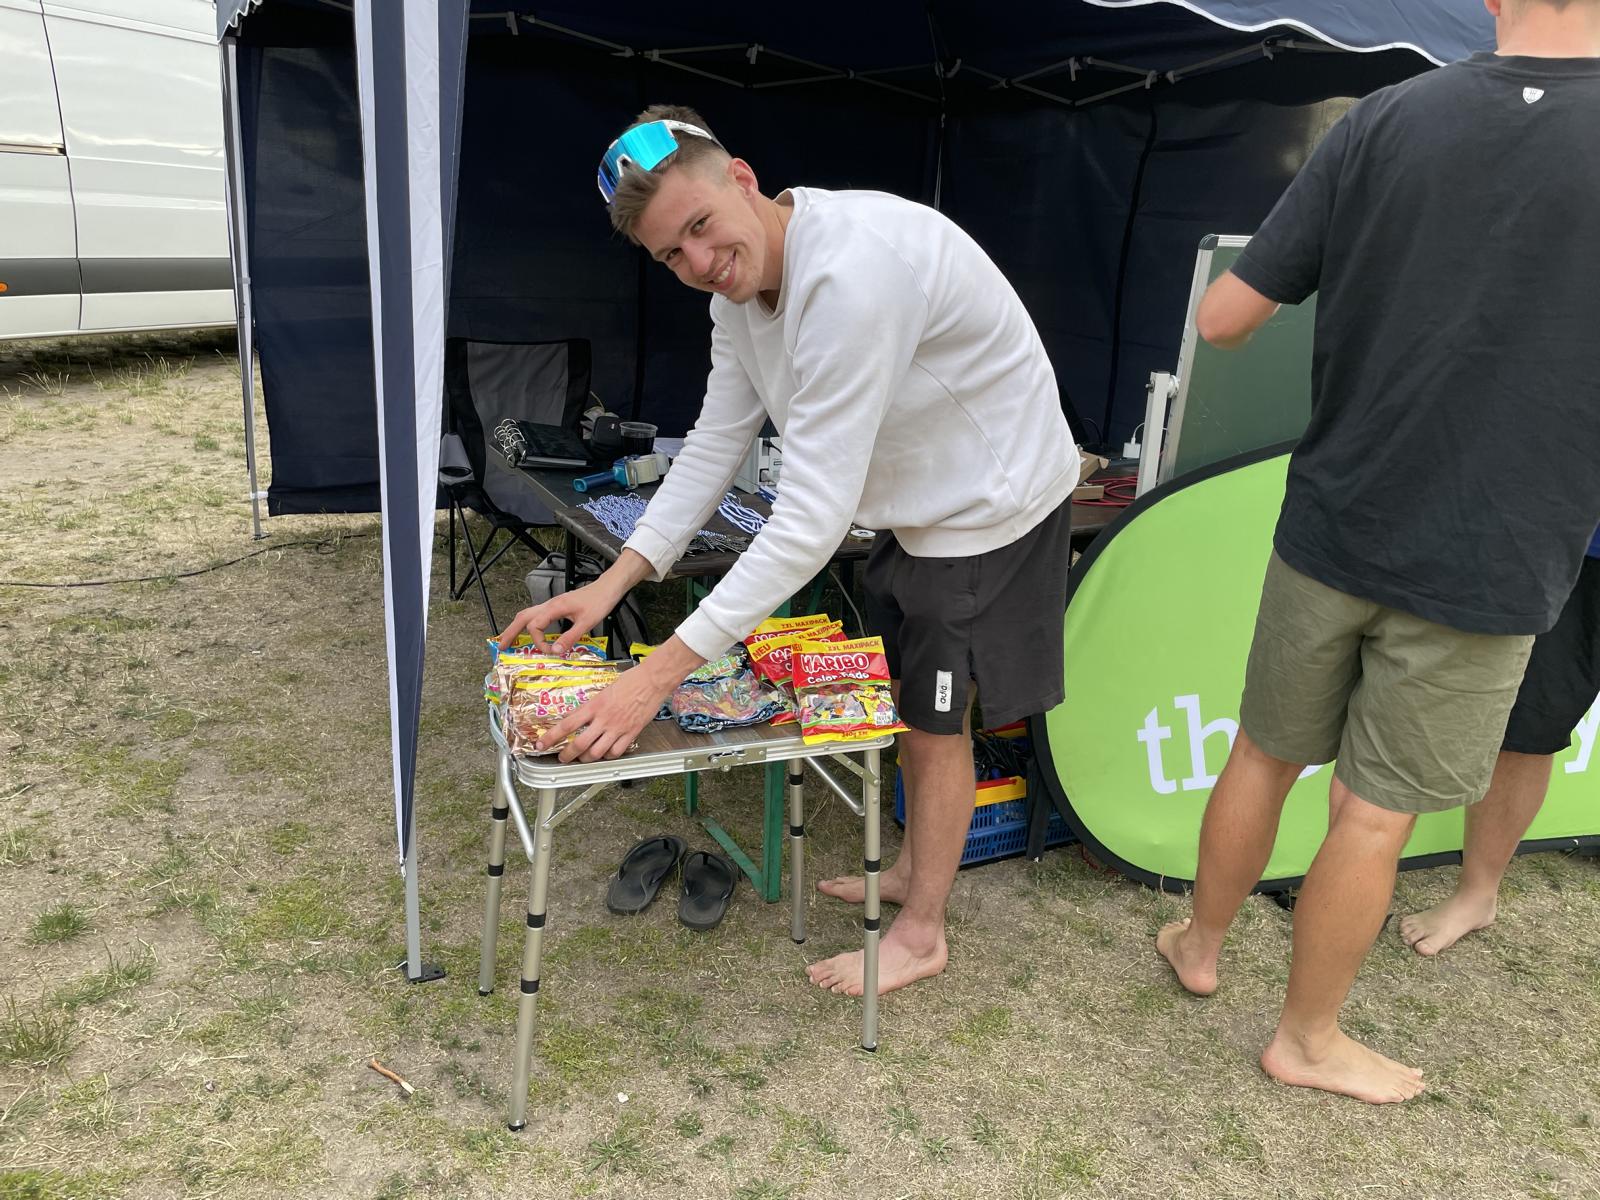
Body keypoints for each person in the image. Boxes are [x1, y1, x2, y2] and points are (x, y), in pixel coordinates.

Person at [496, 105, 1081, 997]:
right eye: (671, 255)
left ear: (742, 178)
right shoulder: (738, 297)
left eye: (700, 226)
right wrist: (612, 584)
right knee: (915, 707)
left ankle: (922, 933)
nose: (700, 263)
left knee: (936, 723)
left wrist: (655, 676)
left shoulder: (850, 277)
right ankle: (911, 873)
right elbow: (712, 445)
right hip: (918, 505)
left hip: (989, 504)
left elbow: (809, 522)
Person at [1154, 0, 1600, 1105]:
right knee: (1374, 811)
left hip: (1337, 518)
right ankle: (1305, 1040)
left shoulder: (1386, 117)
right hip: (1494, 554)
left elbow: (1223, 319)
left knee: (1263, 750)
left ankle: (1200, 945)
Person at [1400, 528, 1600, 956]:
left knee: (1531, 717)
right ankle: (1472, 892)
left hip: (1576, 546)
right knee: (1521, 713)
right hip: (1546, 530)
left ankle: (1477, 894)